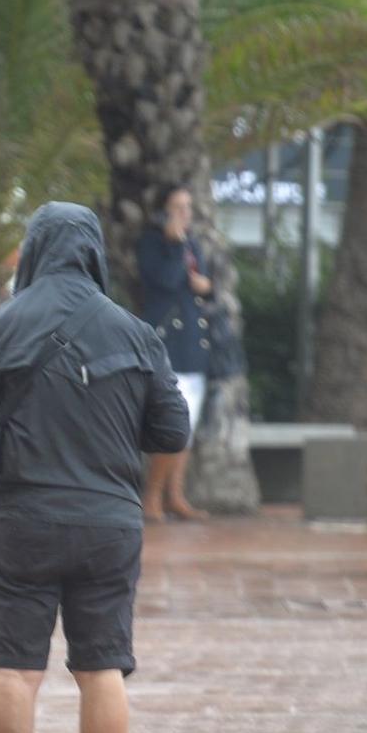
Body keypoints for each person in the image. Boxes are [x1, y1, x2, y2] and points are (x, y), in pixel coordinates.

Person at [0, 202, 191, 733]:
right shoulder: (136, 332)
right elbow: (173, 431)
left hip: (20, 520)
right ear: (93, 254)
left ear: (31, 253)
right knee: (102, 667)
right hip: (108, 522)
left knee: (15, 671)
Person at [135, 186, 217, 522]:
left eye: (188, 207)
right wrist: (174, 244)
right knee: (172, 421)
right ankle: (151, 495)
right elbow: (166, 281)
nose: (184, 213)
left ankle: (175, 495)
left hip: (194, 344)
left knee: (189, 424)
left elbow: (205, 286)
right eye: (177, 207)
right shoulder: (153, 244)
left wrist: (206, 286)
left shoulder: (191, 244)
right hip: (168, 344)